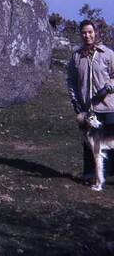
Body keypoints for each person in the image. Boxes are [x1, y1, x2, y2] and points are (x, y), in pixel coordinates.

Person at [67, 19, 114, 183]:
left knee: (110, 143)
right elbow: (71, 80)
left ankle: (106, 176)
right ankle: (89, 174)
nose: (87, 35)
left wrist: (108, 88)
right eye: (84, 33)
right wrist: (74, 100)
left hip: (107, 107)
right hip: (88, 109)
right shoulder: (77, 56)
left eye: (90, 32)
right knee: (89, 142)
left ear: (96, 32)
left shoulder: (107, 54)